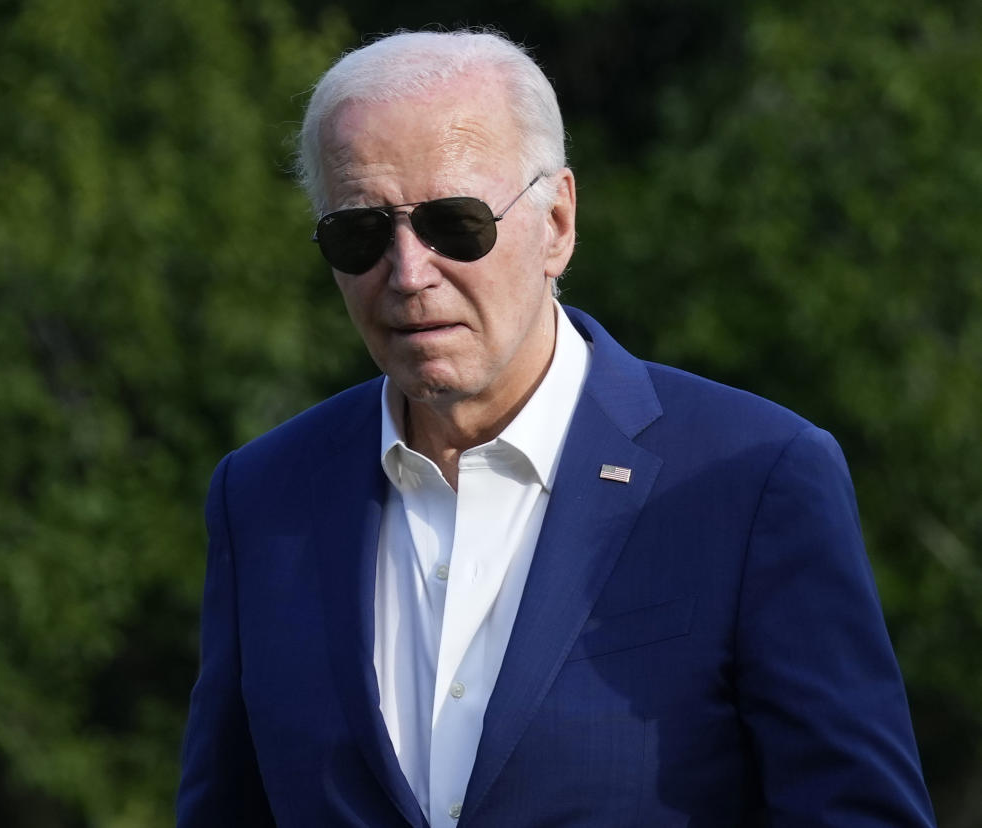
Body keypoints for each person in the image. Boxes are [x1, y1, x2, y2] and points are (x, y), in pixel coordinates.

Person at [177, 28, 936, 828]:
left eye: (455, 222)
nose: (407, 272)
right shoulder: (264, 496)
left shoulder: (757, 479)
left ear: (558, 223)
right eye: (359, 233)